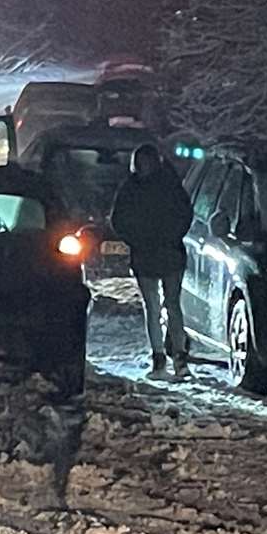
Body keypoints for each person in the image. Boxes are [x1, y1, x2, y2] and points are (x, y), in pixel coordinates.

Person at [109, 143, 193, 378]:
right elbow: (184, 214)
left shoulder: (132, 188)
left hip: (155, 253)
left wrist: (138, 239)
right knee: (164, 306)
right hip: (164, 252)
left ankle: (170, 357)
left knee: (163, 306)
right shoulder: (169, 185)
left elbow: (119, 219)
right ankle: (168, 356)